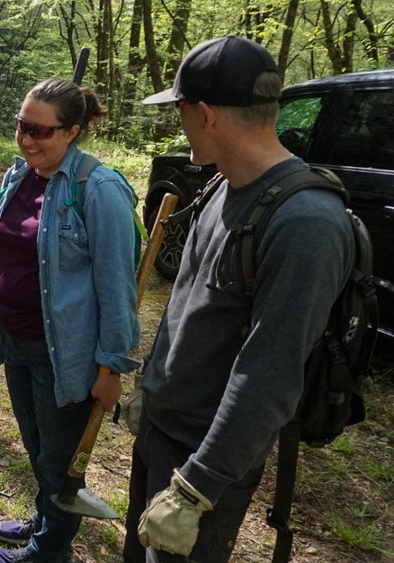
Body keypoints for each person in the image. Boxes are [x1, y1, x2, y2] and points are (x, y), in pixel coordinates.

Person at [124, 36, 355, 562]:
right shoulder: (221, 186)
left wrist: (195, 488)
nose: (175, 124)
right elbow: (187, 305)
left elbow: (269, 375)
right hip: (163, 434)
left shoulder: (306, 224)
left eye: (178, 110)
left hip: (201, 463)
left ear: (204, 114)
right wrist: (152, 388)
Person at [0, 77, 141, 563]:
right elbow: (1, 257)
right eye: (21, 126)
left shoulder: (99, 188)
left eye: (40, 131)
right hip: (15, 341)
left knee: (60, 460)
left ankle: (49, 552)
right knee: (37, 448)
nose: (27, 139)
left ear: (72, 131)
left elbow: (117, 288)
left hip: (65, 354)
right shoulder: (19, 176)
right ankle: (46, 519)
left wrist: (112, 367)